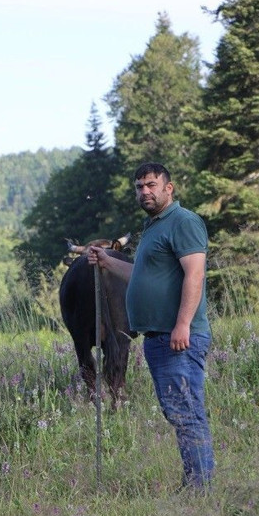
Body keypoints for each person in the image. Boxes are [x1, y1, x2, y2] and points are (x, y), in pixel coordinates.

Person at [87, 162, 214, 489]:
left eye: (151, 185)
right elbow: (140, 277)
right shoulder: (154, 227)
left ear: (168, 188)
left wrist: (183, 324)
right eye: (139, 186)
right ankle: (194, 483)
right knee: (178, 413)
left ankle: (200, 490)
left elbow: (195, 274)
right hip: (158, 339)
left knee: (187, 414)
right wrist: (107, 261)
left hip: (179, 339)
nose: (145, 191)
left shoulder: (184, 222)